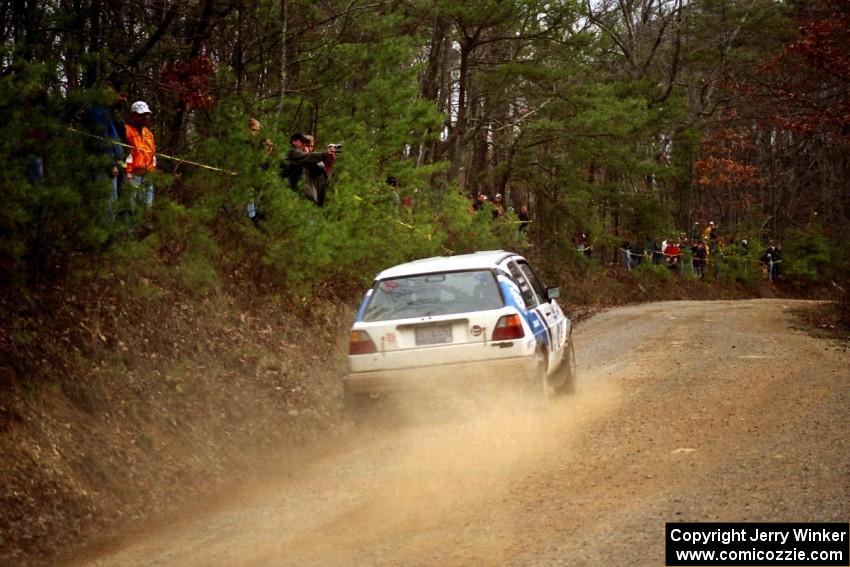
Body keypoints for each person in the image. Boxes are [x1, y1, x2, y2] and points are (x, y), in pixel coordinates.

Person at [281, 132, 338, 206]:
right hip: (295, 197)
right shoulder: (291, 153)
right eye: (303, 142)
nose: (304, 145)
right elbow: (307, 157)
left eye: (310, 146)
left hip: (310, 198)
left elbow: (319, 173)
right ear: (294, 141)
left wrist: (330, 160)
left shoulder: (311, 160)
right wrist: (326, 154)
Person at [124, 101, 156, 211]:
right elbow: (125, 154)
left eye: (146, 115)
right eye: (141, 115)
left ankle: (146, 225)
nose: (145, 117)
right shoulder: (126, 131)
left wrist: (152, 172)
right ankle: (131, 228)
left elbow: (152, 154)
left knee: (148, 205)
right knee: (132, 206)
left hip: (148, 174)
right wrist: (128, 173)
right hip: (133, 174)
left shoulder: (148, 133)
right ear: (133, 115)